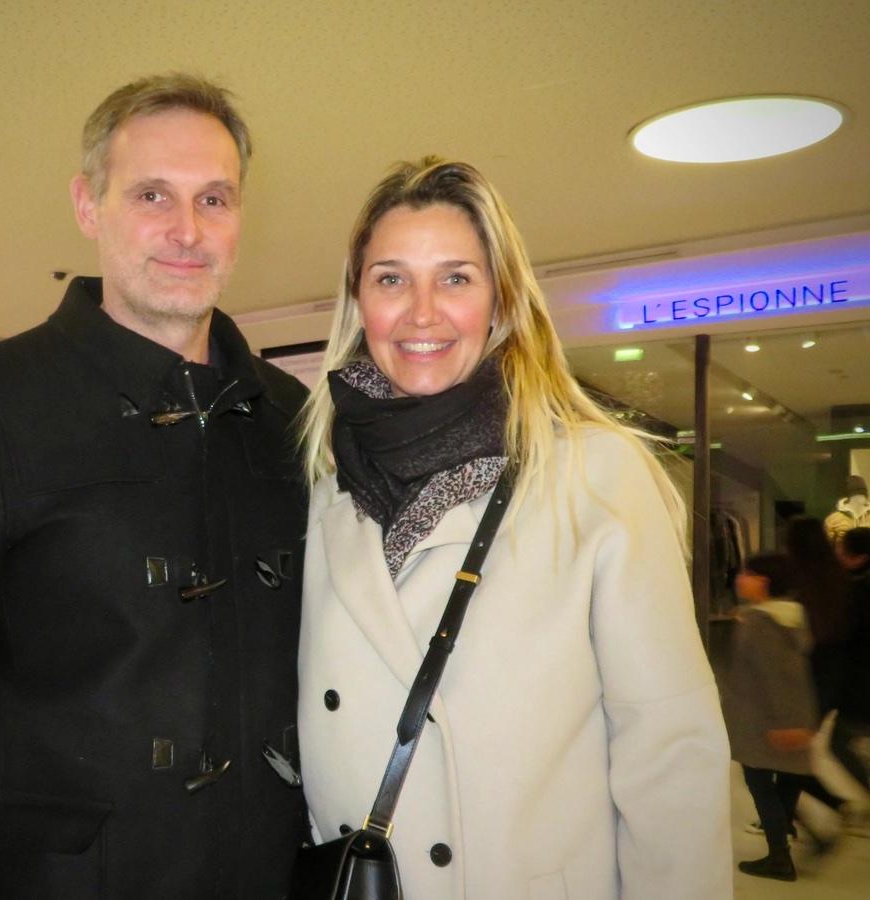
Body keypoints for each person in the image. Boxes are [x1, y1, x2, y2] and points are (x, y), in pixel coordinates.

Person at [0, 74, 309, 900]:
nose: (187, 230)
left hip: (265, 871)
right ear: (88, 205)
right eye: (151, 194)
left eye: (215, 198)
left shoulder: (291, 416)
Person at [296, 157, 731, 899]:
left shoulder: (593, 475)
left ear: (500, 301)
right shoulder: (327, 484)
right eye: (391, 278)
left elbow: (669, 755)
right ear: (358, 301)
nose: (422, 311)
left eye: (456, 278)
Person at [724, 554, 820, 882]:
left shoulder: (761, 624)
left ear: (763, 581)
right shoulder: (788, 617)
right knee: (784, 782)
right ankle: (802, 839)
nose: (740, 578)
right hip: (785, 717)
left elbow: (775, 676)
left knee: (759, 782)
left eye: (747, 574)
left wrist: (785, 723)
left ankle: (780, 858)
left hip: (763, 719)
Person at [835, 526, 870, 832]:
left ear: (860, 557)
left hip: (868, 686)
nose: (838, 555)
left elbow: (853, 637)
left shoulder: (865, 589)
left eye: (844, 550)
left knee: (838, 743)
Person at [824, 475, 870, 544]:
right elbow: (826, 549)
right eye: (856, 496)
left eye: (862, 495)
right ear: (848, 497)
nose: (859, 499)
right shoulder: (833, 520)